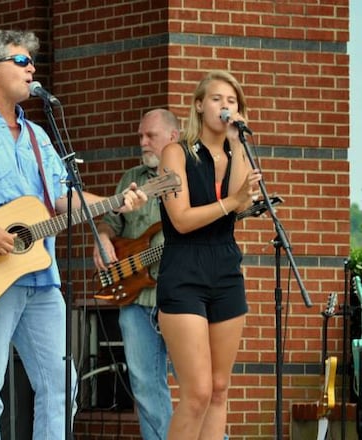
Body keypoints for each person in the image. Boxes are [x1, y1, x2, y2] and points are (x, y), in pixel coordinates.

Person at [0, 29, 147, 440]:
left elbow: (62, 201)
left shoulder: (38, 137)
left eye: (31, 63)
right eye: (21, 62)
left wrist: (114, 202)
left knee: (61, 386)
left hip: (42, 280)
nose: (32, 69)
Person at [156, 70, 261, 440]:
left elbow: (238, 202)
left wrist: (237, 143)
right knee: (197, 392)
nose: (225, 106)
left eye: (232, 101)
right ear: (199, 105)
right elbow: (181, 219)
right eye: (217, 99)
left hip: (225, 267)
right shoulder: (176, 153)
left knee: (219, 388)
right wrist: (232, 202)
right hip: (184, 269)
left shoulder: (237, 151)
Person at [94, 109, 180, 440]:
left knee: (197, 389)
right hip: (134, 297)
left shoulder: (193, 175)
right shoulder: (132, 175)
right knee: (145, 387)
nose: (142, 142)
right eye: (140, 136)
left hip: (178, 296)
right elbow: (111, 222)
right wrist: (101, 237)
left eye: (150, 136)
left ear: (173, 137)